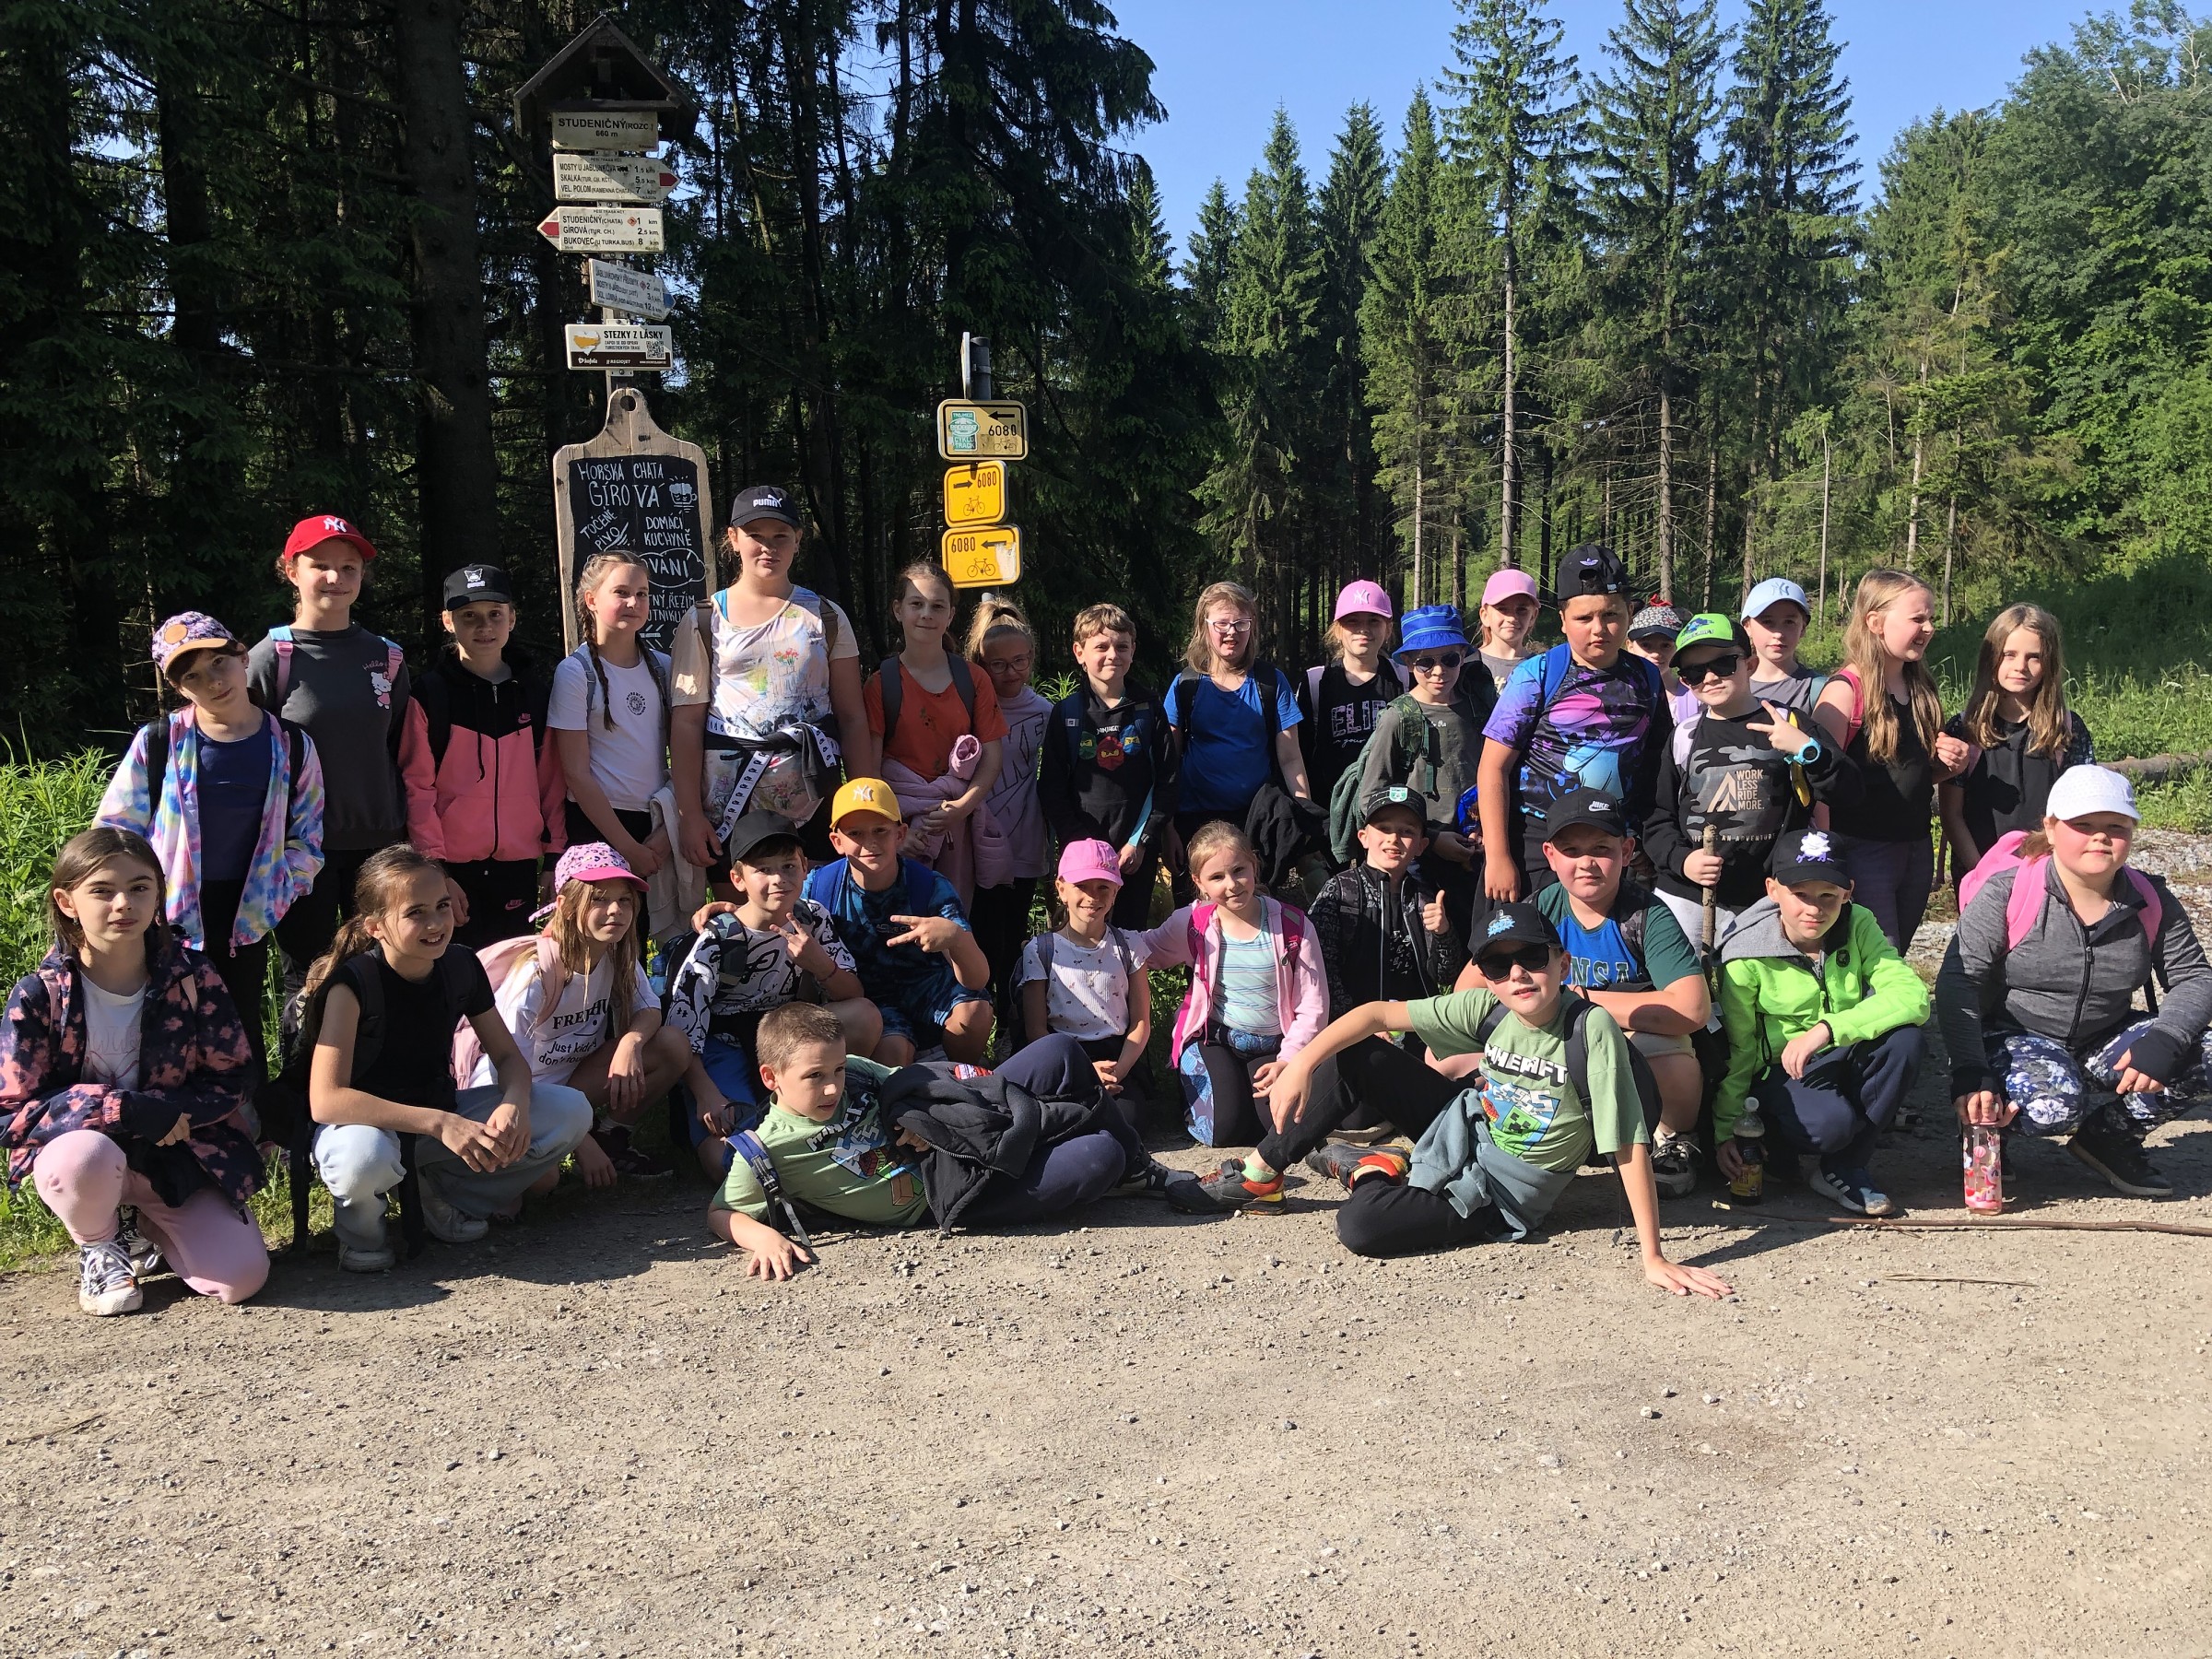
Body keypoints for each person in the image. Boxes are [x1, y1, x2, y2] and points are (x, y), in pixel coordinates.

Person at [1228, 903, 1733, 1299]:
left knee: (1361, 1226)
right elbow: (1377, 1014)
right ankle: (1260, 1173)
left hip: (1502, 1191)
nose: (1517, 975)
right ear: (1487, 977)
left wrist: (1653, 1257)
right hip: (1466, 1125)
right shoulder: (1489, 1007)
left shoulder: (1589, 1027)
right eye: (1497, 965)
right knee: (1363, 1055)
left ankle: (1372, 1169)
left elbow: (1626, 1141)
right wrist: (1300, 1064)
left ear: (1562, 963)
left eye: (1532, 957)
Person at [1, 828, 266, 1314]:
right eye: (102, 890)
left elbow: (234, 1076)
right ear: (67, 901)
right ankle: (100, 1243)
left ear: (158, 894)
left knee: (242, 1280)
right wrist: (121, 1108)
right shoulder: (40, 995)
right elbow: (13, 1111)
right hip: (84, 1161)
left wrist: (170, 1110)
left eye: (139, 887)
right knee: (85, 1155)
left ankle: (146, 1226)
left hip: (176, 1156)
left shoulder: (193, 977)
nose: (123, 903)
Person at [302, 844, 592, 1271]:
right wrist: (439, 1123)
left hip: (439, 1118)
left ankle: (441, 1196)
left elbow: (509, 1058)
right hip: (366, 1128)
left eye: (442, 905)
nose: (437, 923)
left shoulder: (460, 965)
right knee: (364, 1158)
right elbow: (327, 1101)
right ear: (375, 927)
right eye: (415, 913)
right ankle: (361, 1234)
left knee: (571, 1111)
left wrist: (514, 1103)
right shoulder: (352, 986)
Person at [706, 1005, 1146, 1279]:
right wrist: (762, 1238)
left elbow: (912, 1083)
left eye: (837, 1069)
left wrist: (915, 1117)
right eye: (814, 1077)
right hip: (950, 1193)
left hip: (956, 1130)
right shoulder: (768, 1147)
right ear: (771, 1077)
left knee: (1060, 1050)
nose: (833, 1087)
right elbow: (720, 1212)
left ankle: (1142, 1167)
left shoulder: (854, 1070)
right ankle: (1118, 1154)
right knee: (1100, 1154)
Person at [1937, 766, 2212, 1198]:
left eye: (2116, 827)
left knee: (2207, 1052)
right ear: (2050, 828)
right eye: (2083, 825)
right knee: (2055, 1106)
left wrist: (2167, 1039)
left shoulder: (2151, 899)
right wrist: (1970, 1070)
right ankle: (1988, 1127)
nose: (2100, 838)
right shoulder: (2007, 892)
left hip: (2103, 1034)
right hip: (2014, 1034)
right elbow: (1959, 981)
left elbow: (2193, 976)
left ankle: (2109, 1138)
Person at [98, 612, 324, 1072]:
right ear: (179, 688)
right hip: (169, 914)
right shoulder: (159, 741)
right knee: (168, 1025)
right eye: (193, 676)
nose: (213, 682)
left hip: (249, 910)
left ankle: (249, 1112)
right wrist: (139, 897)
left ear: (242, 656)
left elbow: (308, 832)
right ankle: (170, 1113)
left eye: (219, 663)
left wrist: (280, 889)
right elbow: (117, 831)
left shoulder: (290, 744)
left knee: (240, 1025)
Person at [250, 514, 441, 1016]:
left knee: (387, 969)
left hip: (380, 846)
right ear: (291, 571)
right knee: (309, 978)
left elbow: (402, 753)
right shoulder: (271, 659)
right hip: (301, 849)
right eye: (320, 565)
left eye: (349, 567)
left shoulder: (388, 658)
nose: (335, 578)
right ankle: (307, 1064)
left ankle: (380, 1063)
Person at [1714, 828, 1931, 1216]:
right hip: (1780, 1072)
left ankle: (1845, 1167)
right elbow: (1739, 1049)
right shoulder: (1744, 955)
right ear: (1773, 890)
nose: (1814, 909)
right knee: (1831, 1126)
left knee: (1906, 1042)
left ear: (1848, 892)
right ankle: (1781, 1146)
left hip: (1839, 1050)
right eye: (1800, 895)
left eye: (1828, 895)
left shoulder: (1859, 923)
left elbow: (1912, 996)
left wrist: (1828, 1029)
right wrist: (1726, 1131)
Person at [665, 811, 881, 1176]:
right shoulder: (718, 938)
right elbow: (683, 1029)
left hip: (787, 1035)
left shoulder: (812, 918)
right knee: (727, 1161)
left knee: (864, 1014)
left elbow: (853, 992)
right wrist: (705, 1092)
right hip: (725, 1041)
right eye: (763, 870)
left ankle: (823, 1110)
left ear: (805, 868)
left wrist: (819, 964)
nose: (779, 879)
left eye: (788, 866)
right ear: (738, 879)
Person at [1519, 790, 1710, 1199]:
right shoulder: (1540, 908)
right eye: (1572, 850)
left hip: (1629, 1041)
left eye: (1601, 849)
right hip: (1561, 1039)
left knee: (1674, 1055)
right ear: (1550, 855)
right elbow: (1474, 982)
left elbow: (1693, 1008)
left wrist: (1581, 999)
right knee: (1453, 1056)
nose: (1586, 862)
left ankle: (1674, 1137)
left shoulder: (1647, 914)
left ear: (1626, 851)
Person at [466, 843, 691, 1185]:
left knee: (671, 1044)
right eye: (599, 899)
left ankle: (612, 1137)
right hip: (514, 1092)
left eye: (625, 899)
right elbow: (505, 1065)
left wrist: (630, 1043)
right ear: (566, 907)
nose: (615, 910)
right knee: (543, 1182)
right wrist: (577, 1137)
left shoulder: (615, 953)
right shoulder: (536, 973)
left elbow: (648, 1008)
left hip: (571, 1080)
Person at [671, 485, 868, 874]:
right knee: (741, 906)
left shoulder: (826, 616)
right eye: (755, 536)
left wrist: (863, 802)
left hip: (815, 794)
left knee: (814, 904)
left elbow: (852, 716)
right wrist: (689, 814)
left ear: (798, 539)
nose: (768, 547)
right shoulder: (705, 620)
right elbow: (687, 722)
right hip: (729, 801)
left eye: (780, 536)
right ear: (733, 538)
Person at [1644, 612, 1857, 946]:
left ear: (1750, 663)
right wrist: (1682, 860)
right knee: (1686, 978)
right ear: (1684, 681)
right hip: (1687, 894)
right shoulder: (1683, 737)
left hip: (1766, 897)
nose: (1709, 678)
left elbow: (1850, 793)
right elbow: (1658, 818)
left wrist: (1807, 751)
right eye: (1694, 672)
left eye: (1723, 664)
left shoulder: (1789, 723)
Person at [1477, 543, 1667, 900]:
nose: (1599, 629)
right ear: (1563, 620)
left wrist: (1642, 836)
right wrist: (1499, 857)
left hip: (1611, 844)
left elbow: (1655, 767)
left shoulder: (1646, 676)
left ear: (1630, 613)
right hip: (1538, 843)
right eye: (1583, 618)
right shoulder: (1537, 675)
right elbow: (1493, 767)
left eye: (1611, 615)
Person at [1135, 821, 1325, 1151]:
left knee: (1279, 1128)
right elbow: (1144, 950)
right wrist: (1093, 939)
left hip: (1276, 1044)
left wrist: (1289, 1059)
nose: (1232, 885)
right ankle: (1207, 1090)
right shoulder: (1192, 922)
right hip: (1216, 1039)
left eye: (1239, 870)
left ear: (1254, 864)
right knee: (1222, 1131)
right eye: (1217, 877)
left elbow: (1313, 1006)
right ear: (1199, 882)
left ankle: (1240, 1097)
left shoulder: (1293, 925)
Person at [1813, 569, 1970, 951]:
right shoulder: (1845, 693)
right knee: (1878, 956)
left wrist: (1950, 765)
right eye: (1917, 618)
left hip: (1915, 846)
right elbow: (1819, 783)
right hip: (1862, 851)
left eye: (1930, 618)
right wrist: (1826, 861)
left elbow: (1910, 774)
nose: (1929, 628)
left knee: (1896, 953)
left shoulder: (1921, 688)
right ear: (1875, 622)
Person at [415, 564, 566, 947]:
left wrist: (553, 859)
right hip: (451, 869)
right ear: (447, 621)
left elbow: (552, 782)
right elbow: (417, 787)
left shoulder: (535, 693)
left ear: (511, 618)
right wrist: (435, 869)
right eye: (469, 616)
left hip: (518, 866)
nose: (484, 627)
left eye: (494, 614)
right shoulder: (431, 694)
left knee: (509, 970)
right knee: (452, 970)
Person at [805, 778, 993, 1065]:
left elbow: (977, 979)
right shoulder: (820, 888)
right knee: (893, 1052)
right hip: (869, 1001)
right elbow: (774, 918)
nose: (870, 842)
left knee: (975, 1012)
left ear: (900, 834)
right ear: (837, 842)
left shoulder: (929, 886)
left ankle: (963, 1075)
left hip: (929, 990)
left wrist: (955, 938)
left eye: (880, 830)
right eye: (855, 833)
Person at [864, 562, 1007, 906]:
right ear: (898, 610)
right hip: (897, 826)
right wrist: (893, 831)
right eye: (916, 604)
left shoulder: (973, 680)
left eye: (937, 606)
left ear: (951, 615)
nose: (927, 614)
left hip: (956, 826)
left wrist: (960, 807)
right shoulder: (880, 684)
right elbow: (869, 768)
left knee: (952, 917)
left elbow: (992, 757)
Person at [1039, 603, 1177, 929]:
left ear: (1133, 651)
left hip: (1134, 853)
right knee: (1082, 933)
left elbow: (1168, 781)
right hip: (1081, 850)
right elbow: (1051, 788)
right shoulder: (1067, 713)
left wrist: (1141, 842)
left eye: (1122, 646)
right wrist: (1080, 843)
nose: (1112, 655)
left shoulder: (1148, 709)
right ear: (1079, 653)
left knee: (1130, 935)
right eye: (1101, 647)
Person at [1938, 603, 2095, 885]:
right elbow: (1952, 815)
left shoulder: (2067, 730)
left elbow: (2083, 810)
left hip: (2050, 874)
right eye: (2008, 655)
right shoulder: (1965, 729)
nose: (2020, 666)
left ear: (2049, 663)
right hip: (1979, 874)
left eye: (2034, 657)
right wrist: (1982, 874)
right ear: (1991, 659)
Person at [548, 552, 672, 884]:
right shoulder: (575, 673)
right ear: (591, 600)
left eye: (642, 593)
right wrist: (628, 848)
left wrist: (667, 830)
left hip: (657, 823)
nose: (634, 602)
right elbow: (576, 774)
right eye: (621, 592)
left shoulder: (664, 668)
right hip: (597, 827)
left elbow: (687, 753)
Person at [1310, 784, 1465, 1045]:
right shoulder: (1340, 891)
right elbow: (1320, 970)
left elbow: (1445, 975)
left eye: (1407, 831)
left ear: (1421, 845)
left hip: (1415, 1027)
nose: (1394, 838)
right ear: (1363, 837)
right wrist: (1359, 1025)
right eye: (1384, 828)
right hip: (1350, 1031)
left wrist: (1443, 933)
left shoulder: (1425, 896)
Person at [1353, 605, 1496, 884]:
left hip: (1479, 847)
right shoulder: (1398, 718)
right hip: (1417, 857)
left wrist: (1489, 830)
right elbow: (1371, 796)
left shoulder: (1480, 710)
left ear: (1463, 655)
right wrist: (1431, 838)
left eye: (1450, 659)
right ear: (1408, 663)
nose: (1439, 671)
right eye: (1425, 663)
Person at [1166, 581, 1311, 854]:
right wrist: (1167, 827)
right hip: (1194, 821)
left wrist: (1304, 815)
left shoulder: (1271, 683)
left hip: (1258, 821)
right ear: (1204, 627)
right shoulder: (1185, 685)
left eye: (1240, 624)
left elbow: (1291, 759)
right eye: (1221, 624)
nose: (1231, 632)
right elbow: (1169, 762)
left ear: (1252, 626)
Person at [1018, 840, 1155, 1123]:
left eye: (1103, 887)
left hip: (1117, 1055)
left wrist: (1119, 1070)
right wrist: (1084, 1072)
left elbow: (1140, 1022)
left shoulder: (1130, 947)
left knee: (1126, 1120)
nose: (1093, 896)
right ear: (1061, 890)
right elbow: (1036, 1029)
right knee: (1060, 1115)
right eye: (1082, 886)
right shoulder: (1040, 951)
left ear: (1116, 891)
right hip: (1062, 1057)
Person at [967, 596, 1052, 1036]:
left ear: (1031, 658)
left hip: (1024, 836)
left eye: (1020, 661)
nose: (1011, 672)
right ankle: (980, 1022)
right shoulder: (970, 705)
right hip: (977, 839)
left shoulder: (1045, 713)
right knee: (981, 932)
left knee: (1014, 935)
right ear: (981, 662)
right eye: (998, 665)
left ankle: (1013, 1025)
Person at [1299, 580, 1403, 811]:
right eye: (1352, 621)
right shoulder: (1316, 682)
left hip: (1388, 813)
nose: (1363, 629)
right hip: (1330, 811)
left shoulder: (1404, 679)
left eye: (1373, 620)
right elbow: (1301, 755)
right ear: (1337, 630)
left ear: (1388, 629)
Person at [1741, 577, 1825, 713]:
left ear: (1802, 628)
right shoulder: (1726, 687)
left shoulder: (1821, 691)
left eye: (1789, 622)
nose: (1778, 634)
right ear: (1747, 627)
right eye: (1767, 622)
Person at [1627, 599, 1698, 726]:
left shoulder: (1696, 697)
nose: (1656, 654)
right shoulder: (1618, 694)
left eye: (1665, 645)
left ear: (1678, 647)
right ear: (1630, 646)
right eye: (1646, 645)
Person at [1476, 567, 1542, 691]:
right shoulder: (1466, 666)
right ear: (1485, 616)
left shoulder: (1541, 669)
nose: (1512, 618)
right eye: (1502, 609)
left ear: (1533, 616)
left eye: (1521, 610)